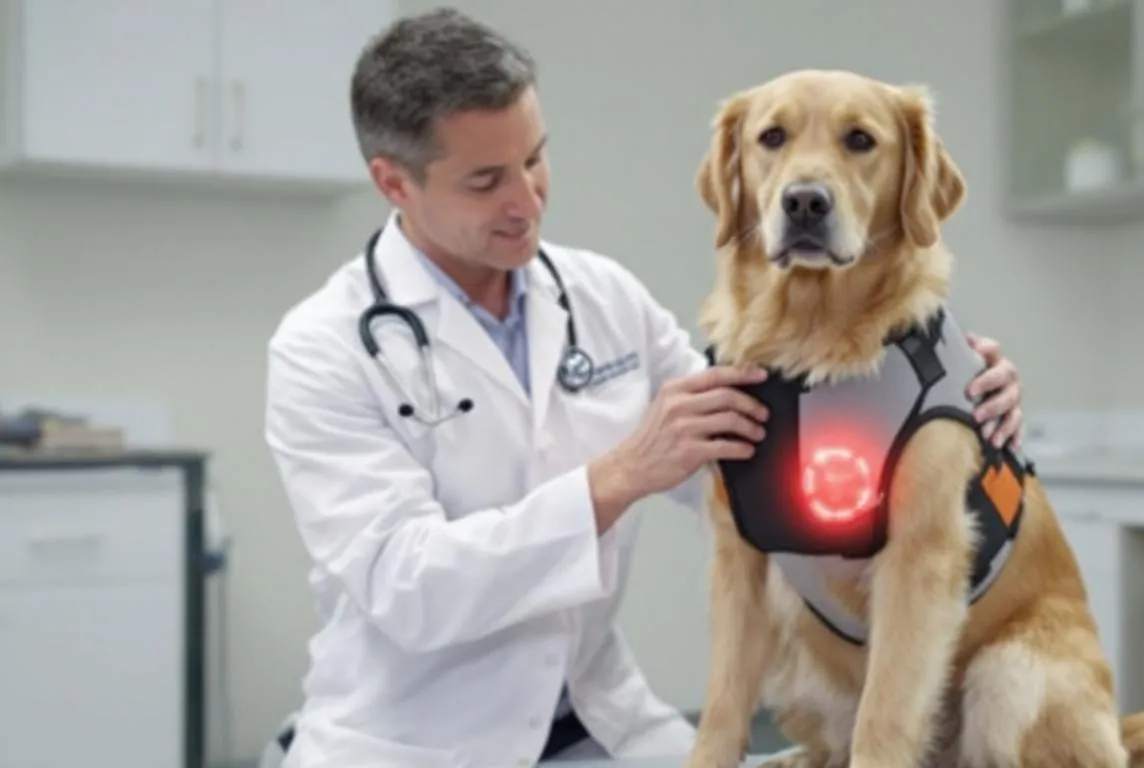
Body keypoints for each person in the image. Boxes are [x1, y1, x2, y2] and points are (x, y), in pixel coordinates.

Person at [260, 7, 1026, 767]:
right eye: (486, 181)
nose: (527, 200)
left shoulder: (604, 299)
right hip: (413, 744)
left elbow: (757, 458)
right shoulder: (321, 348)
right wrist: (617, 478)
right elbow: (408, 589)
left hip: (604, 725)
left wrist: (937, 399)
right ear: (394, 182)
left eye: (535, 159)